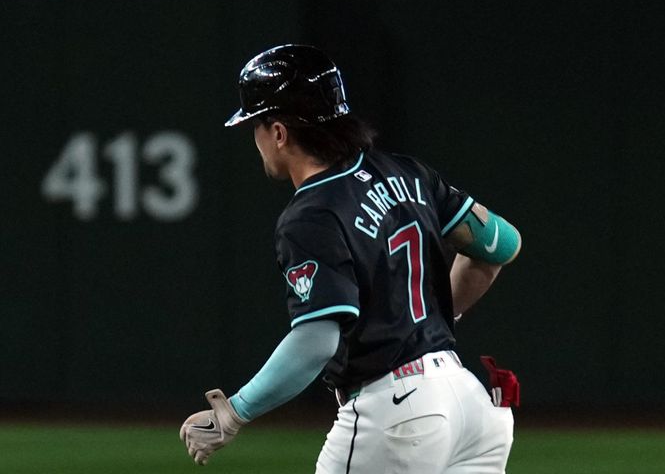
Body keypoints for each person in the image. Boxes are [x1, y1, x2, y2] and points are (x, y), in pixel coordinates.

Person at [180, 44, 522, 473]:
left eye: (256, 125)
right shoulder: (408, 173)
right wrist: (430, 321)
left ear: (280, 132)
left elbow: (316, 341)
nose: (256, 138)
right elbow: (500, 247)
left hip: (399, 413)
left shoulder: (311, 214)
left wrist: (235, 411)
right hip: (471, 408)